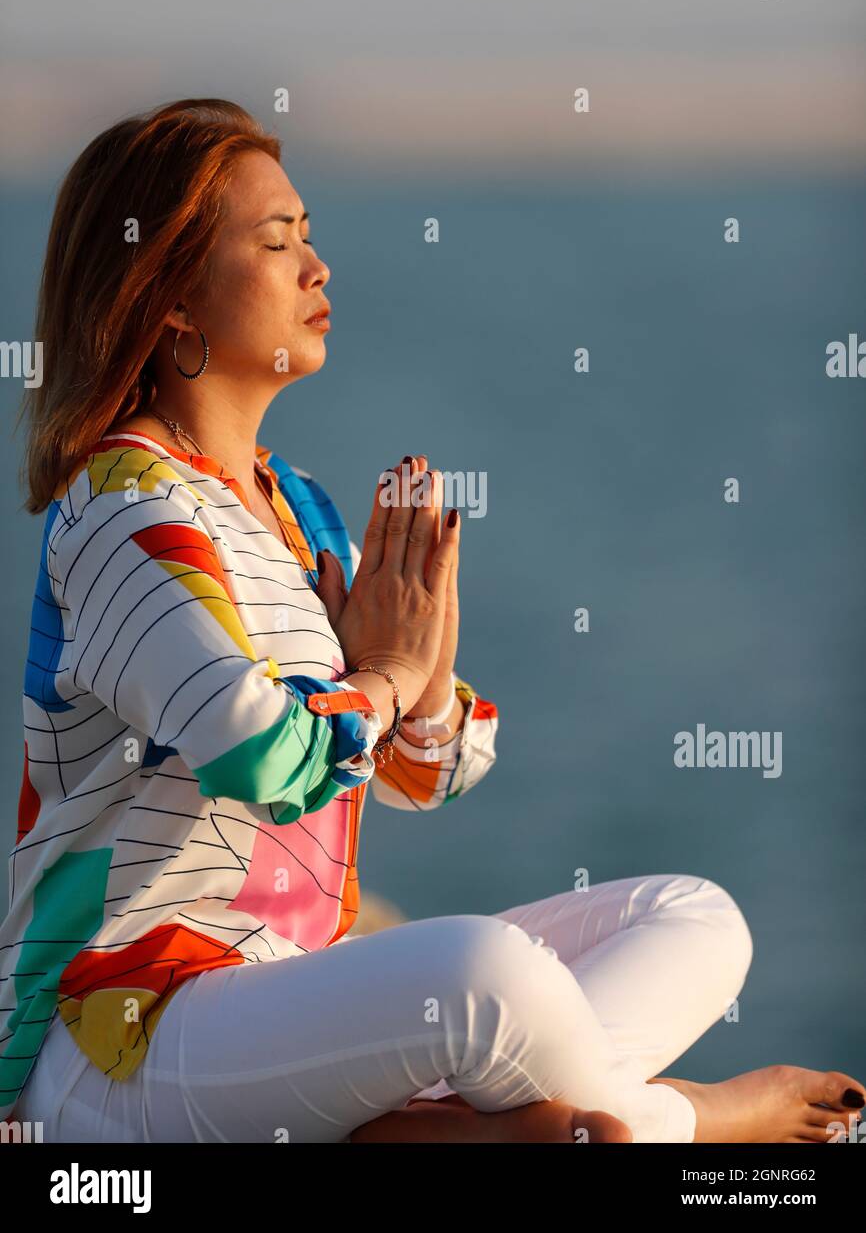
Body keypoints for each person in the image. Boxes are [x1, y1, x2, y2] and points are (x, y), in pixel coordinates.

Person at [3, 99, 862, 1144]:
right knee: (482, 973)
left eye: (309, 234)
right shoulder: (125, 514)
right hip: (126, 1036)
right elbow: (259, 755)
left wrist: (418, 687)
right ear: (170, 297)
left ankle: (450, 1131)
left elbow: (422, 770)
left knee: (692, 916)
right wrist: (387, 675)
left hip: (281, 1000)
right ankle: (683, 1119)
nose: (317, 267)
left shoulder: (296, 509)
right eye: (277, 243)